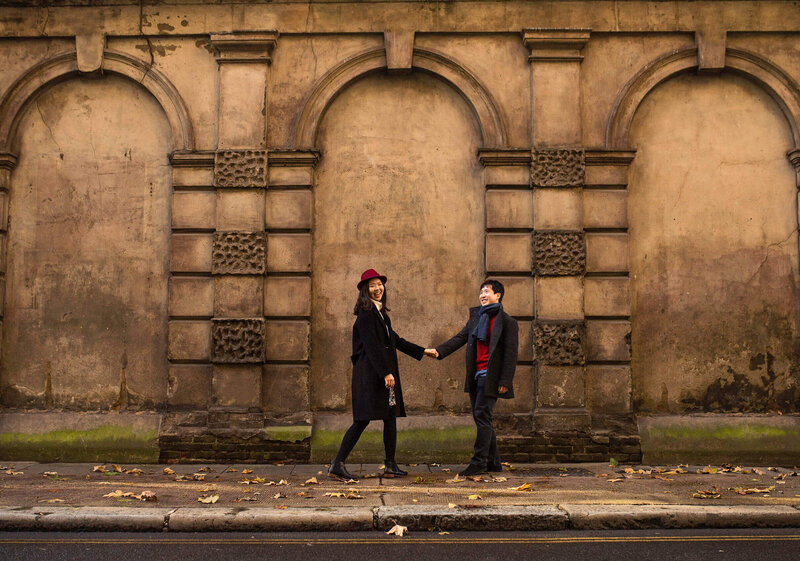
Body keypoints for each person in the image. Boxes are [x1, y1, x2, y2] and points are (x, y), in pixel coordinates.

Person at [328, 269, 427, 480]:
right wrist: (386, 373)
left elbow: (396, 341)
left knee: (390, 417)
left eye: (380, 284)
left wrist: (424, 351)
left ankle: (390, 464)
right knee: (362, 420)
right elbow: (372, 347)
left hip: (383, 375)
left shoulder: (381, 314)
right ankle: (337, 463)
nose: (377, 288)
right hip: (371, 377)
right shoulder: (366, 316)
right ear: (365, 290)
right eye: (372, 285)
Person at [424, 279, 518, 476]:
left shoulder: (507, 322)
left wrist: (505, 382)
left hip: (490, 377)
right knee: (482, 417)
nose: (482, 295)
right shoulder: (476, 317)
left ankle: (479, 462)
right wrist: (439, 351)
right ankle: (493, 463)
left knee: (482, 416)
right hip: (475, 375)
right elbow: (460, 337)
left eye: (487, 291)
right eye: (481, 292)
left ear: (498, 295)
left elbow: (510, 354)